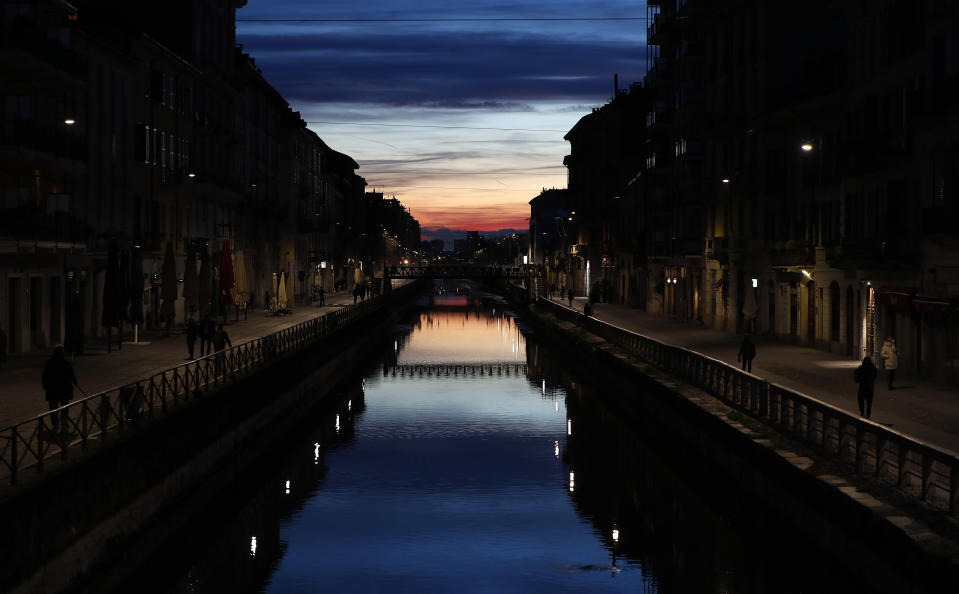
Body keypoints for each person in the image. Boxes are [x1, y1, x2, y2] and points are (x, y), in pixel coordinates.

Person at [42, 345, 80, 431]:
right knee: (64, 407)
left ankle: (55, 424)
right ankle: (64, 422)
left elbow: (45, 375)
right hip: (64, 389)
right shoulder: (65, 363)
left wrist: (45, 386)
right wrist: (75, 382)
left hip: (52, 389)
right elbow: (71, 374)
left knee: (53, 407)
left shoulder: (49, 363)